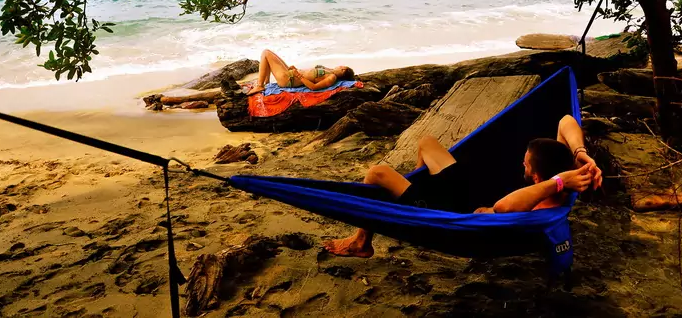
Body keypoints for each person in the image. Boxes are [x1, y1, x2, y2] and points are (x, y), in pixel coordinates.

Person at [323, 114, 602, 258]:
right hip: (470, 192)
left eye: (526, 166)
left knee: (376, 174)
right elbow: (566, 120)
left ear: (540, 179)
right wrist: (578, 153)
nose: (522, 166)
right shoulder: (564, 175)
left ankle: (362, 242)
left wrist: (558, 182)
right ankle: (416, 192)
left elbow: (504, 207)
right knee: (427, 142)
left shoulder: (543, 200)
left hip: (452, 216)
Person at [247, 49, 355, 95]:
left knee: (266, 53)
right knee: (270, 55)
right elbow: (310, 74)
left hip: (288, 79)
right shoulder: (330, 72)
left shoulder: (332, 78)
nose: (339, 65)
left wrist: (299, 75)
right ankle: (266, 82)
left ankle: (260, 85)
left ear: (343, 70)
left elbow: (314, 87)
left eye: (342, 66)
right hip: (291, 76)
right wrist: (297, 70)